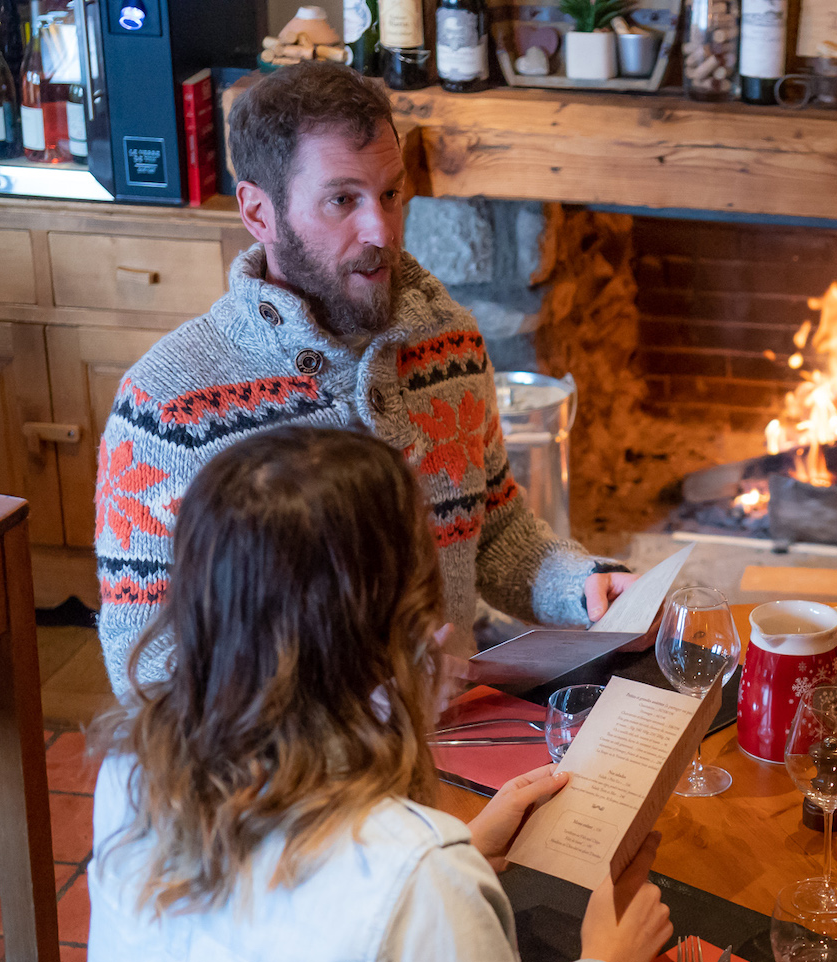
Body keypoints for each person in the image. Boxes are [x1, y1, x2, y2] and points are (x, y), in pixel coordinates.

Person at [73, 427, 722, 962]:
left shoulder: (135, 771)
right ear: (386, 634)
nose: (444, 627)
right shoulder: (412, 870)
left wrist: (466, 859)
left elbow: (303, 926)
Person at [94, 60, 633, 696]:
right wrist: (347, 711)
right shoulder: (166, 408)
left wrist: (582, 586)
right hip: (290, 782)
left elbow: (491, 530)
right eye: (342, 200)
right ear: (260, 213)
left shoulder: (449, 344)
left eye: (390, 194)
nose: (380, 230)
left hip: (453, 738)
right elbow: (146, 673)